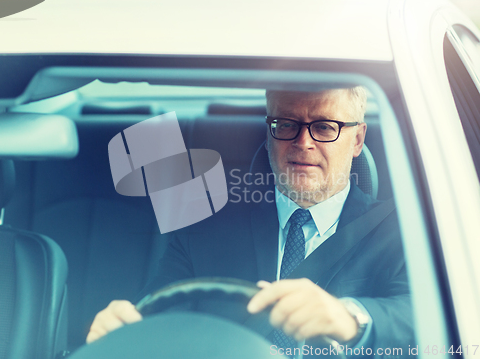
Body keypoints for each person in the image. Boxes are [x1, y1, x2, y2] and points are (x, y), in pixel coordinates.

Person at [86, 87, 414, 357]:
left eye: (325, 127)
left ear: (357, 139)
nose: (303, 143)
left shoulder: (403, 232)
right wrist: (123, 332)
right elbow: (157, 317)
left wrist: (350, 318)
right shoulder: (204, 228)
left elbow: (420, 323)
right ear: (270, 131)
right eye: (286, 124)